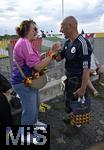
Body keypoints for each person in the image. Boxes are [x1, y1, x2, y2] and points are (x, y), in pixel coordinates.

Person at [11, 20, 57, 126]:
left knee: (35, 105)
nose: (37, 31)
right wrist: (53, 54)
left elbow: (33, 61)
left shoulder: (25, 42)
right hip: (23, 82)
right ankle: (27, 134)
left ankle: (34, 123)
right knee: (29, 111)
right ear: (27, 30)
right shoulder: (25, 43)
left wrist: (47, 54)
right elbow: (37, 66)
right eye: (34, 29)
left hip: (28, 80)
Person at [52, 16, 92, 123]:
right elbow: (59, 58)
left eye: (62, 27)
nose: (60, 30)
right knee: (68, 101)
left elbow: (86, 69)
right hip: (68, 78)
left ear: (70, 26)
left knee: (78, 103)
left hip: (78, 81)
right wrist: (54, 51)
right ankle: (71, 117)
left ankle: (78, 123)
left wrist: (83, 88)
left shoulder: (83, 43)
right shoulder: (68, 42)